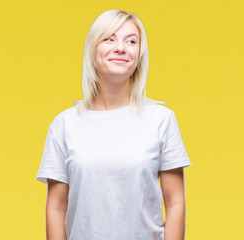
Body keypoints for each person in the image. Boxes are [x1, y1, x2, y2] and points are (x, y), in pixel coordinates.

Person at [36, 9, 192, 240]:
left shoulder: (162, 119)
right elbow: (56, 207)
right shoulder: (64, 124)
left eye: (131, 41)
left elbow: (176, 202)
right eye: (109, 38)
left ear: (139, 55)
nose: (120, 47)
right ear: (93, 50)